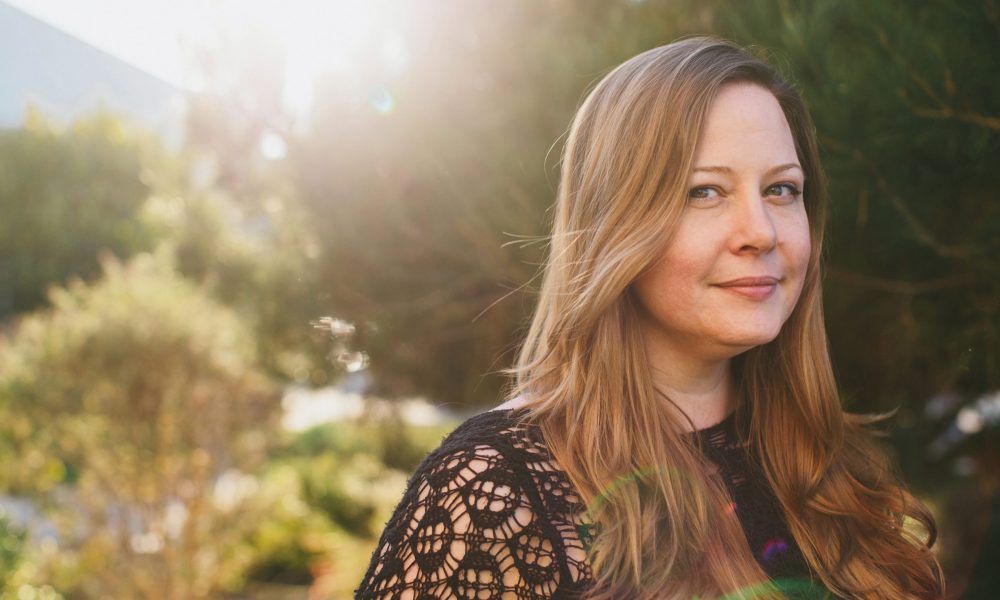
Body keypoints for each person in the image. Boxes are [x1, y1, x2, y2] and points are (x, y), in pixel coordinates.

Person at [354, 36, 945, 599]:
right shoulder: (495, 490)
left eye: (782, 190)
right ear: (617, 225)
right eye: (704, 192)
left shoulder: (825, 471)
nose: (761, 232)